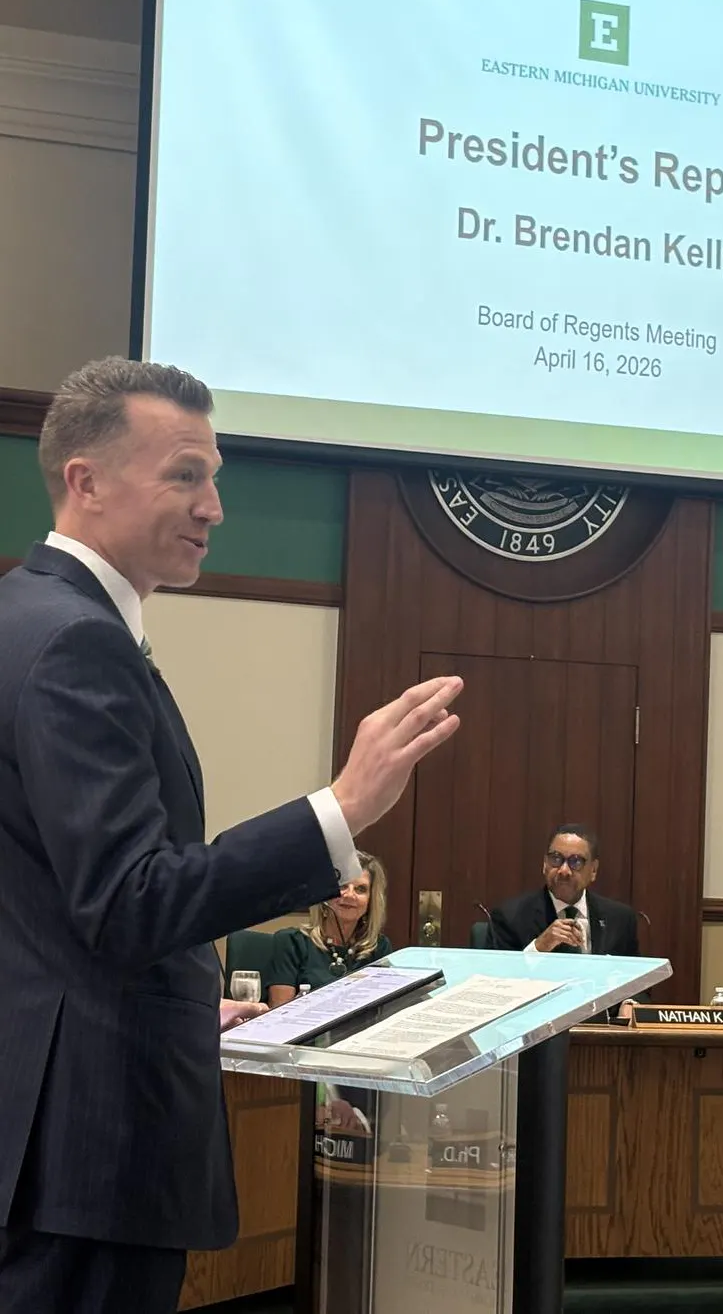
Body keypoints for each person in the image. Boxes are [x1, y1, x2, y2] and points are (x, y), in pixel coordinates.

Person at [0, 357, 464, 1314]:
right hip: (85, 1144)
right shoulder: (74, 641)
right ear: (85, 482)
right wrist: (341, 808)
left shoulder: (25, 616)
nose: (214, 506)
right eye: (185, 475)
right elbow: (129, 901)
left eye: (216, 476)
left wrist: (180, 1004)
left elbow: (42, 895)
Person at [487, 824, 639, 957]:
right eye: (556, 859)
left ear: (593, 870)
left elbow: (639, 985)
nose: (564, 870)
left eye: (576, 861)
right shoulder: (510, 917)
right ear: (544, 864)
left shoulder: (620, 919)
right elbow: (498, 980)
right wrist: (539, 948)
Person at [266, 853, 392, 1005]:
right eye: (342, 886)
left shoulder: (379, 947)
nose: (350, 895)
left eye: (360, 889)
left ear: (370, 901)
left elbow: (385, 1009)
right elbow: (280, 1014)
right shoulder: (291, 942)